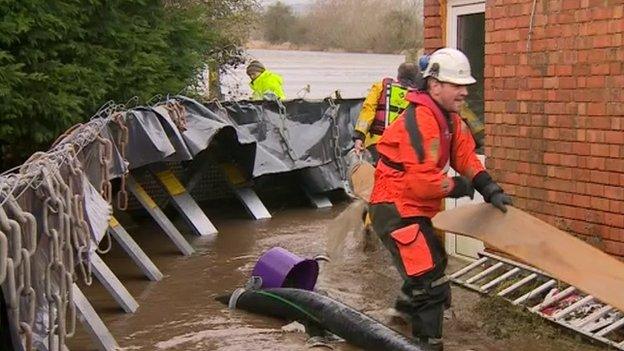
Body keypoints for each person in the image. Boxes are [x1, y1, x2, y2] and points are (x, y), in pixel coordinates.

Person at [368, 48, 512, 350]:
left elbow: (464, 155)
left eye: (465, 85)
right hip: (394, 208)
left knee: (434, 264)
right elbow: (423, 184)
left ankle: (401, 314)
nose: (465, 91)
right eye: (457, 85)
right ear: (435, 86)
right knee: (431, 285)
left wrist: (489, 187)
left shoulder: (449, 117)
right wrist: (461, 187)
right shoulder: (421, 121)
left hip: (411, 207)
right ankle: (427, 344)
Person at [353, 62, 422, 164]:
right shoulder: (419, 97)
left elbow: (368, 110)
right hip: (401, 150)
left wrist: (359, 137)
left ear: (398, 75)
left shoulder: (380, 87)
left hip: (375, 145)